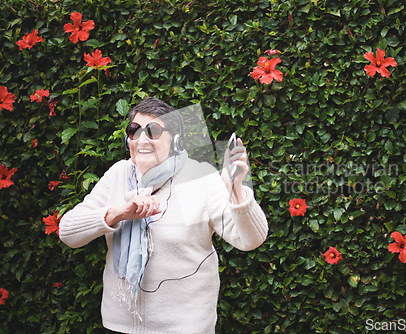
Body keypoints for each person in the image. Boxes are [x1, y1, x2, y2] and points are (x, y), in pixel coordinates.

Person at [59, 97, 268, 333]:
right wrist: (120, 213)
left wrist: (236, 188)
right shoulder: (118, 174)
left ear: (175, 141)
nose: (142, 139)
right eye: (134, 131)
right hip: (120, 326)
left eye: (154, 130)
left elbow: (251, 239)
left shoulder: (200, 177)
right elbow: (67, 231)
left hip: (184, 328)